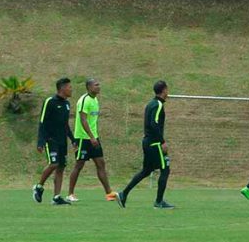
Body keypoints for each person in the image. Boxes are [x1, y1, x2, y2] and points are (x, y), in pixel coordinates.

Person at [115, 80, 174, 209]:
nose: (168, 92)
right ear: (164, 90)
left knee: (146, 171)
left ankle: (123, 194)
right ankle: (159, 202)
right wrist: (162, 141)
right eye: (167, 90)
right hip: (155, 143)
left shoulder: (150, 104)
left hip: (147, 142)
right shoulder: (158, 105)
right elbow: (154, 124)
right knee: (165, 169)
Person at [67, 79, 116, 202]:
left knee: (101, 163)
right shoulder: (84, 100)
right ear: (89, 87)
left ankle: (109, 193)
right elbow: (83, 120)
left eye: (99, 84)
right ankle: (70, 194)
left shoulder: (95, 100)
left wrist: (94, 137)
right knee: (79, 165)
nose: (99, 87)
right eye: (96, 85)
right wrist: (91, 137)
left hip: (93, 137)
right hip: (83, 138)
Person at [32, 78, 76, 205]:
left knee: (61, 167)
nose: (71, 89)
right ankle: (39, 187)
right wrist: (40, 142)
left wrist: (73, 140)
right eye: (69, 87)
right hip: (51, 140)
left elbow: (65, 124)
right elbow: (42, 122)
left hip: (62, 141)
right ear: (62, 88)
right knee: (54, 164)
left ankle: (56, 197)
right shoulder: (50, 102)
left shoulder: (67, 104)